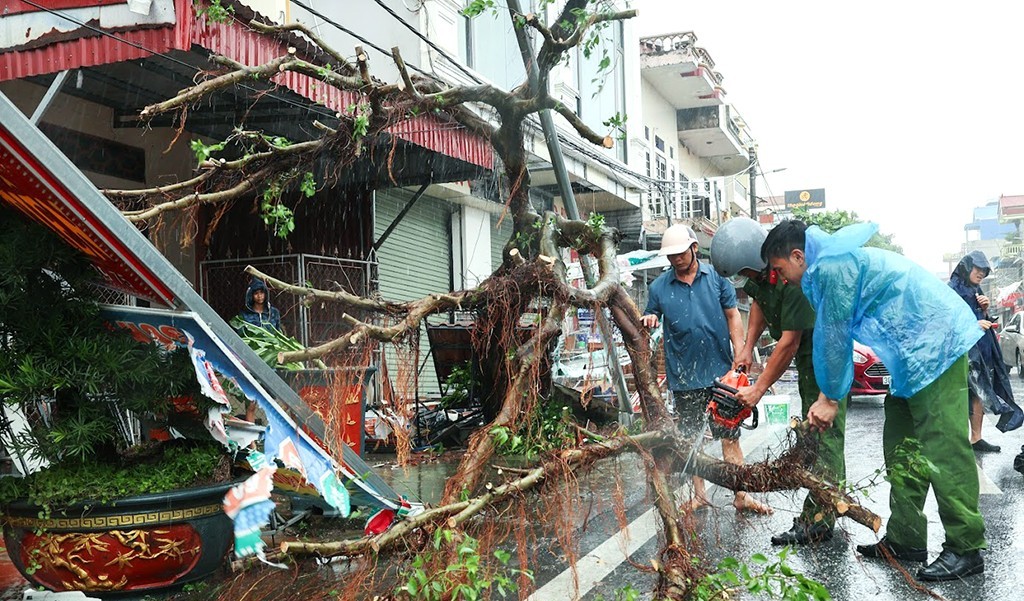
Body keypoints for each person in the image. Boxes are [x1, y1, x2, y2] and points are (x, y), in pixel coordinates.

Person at [762, 219, 986, 582]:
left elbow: (834, 337)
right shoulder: (828, 267)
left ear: (798, 256)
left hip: (936, 346)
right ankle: (906, 538)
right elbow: (834, 336)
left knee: (944, 448)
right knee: (902, 445)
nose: (781, 278)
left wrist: (830, 399)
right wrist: (827, 395)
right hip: (909, 358)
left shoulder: (833, 268)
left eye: (780, 269)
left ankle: (966, 547)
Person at [710, 217, 844, 545]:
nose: (749, 280)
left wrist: (757, 390)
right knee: (811, 435)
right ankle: (821, 511)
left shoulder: (794, 280)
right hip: (807, 358)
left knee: (823, 437)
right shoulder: (766, 275)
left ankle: (820, 518)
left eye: (749, 274)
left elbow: (788, 343)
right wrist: (746, 348)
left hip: (821, 355)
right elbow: (758, 302)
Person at [642, 223, 772, 515]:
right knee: (691, 439)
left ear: (694, 248)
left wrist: (741, 352)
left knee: (730, 436)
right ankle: (700, 495)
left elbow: (732, 315)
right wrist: (649, 317)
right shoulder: (659, 287)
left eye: (680, 253)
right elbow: (651, 313)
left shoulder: (716, 277)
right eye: (671, 256)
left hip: (720, 375)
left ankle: (742, 494)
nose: (676, 259)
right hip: (684, 377)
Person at [948, 250, 1024, 450]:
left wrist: (985, 309)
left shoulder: (977, 289)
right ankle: (959, 440)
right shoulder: (952, 290)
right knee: (960, 393)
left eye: (984, 270)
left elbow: (983, 318)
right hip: (962, 351)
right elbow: (949, 322)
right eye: (978, 268)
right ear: (966, 266)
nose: (981, 273)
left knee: (979, 392)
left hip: (982, 349)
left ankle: (976, 438)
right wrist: (974, 324)